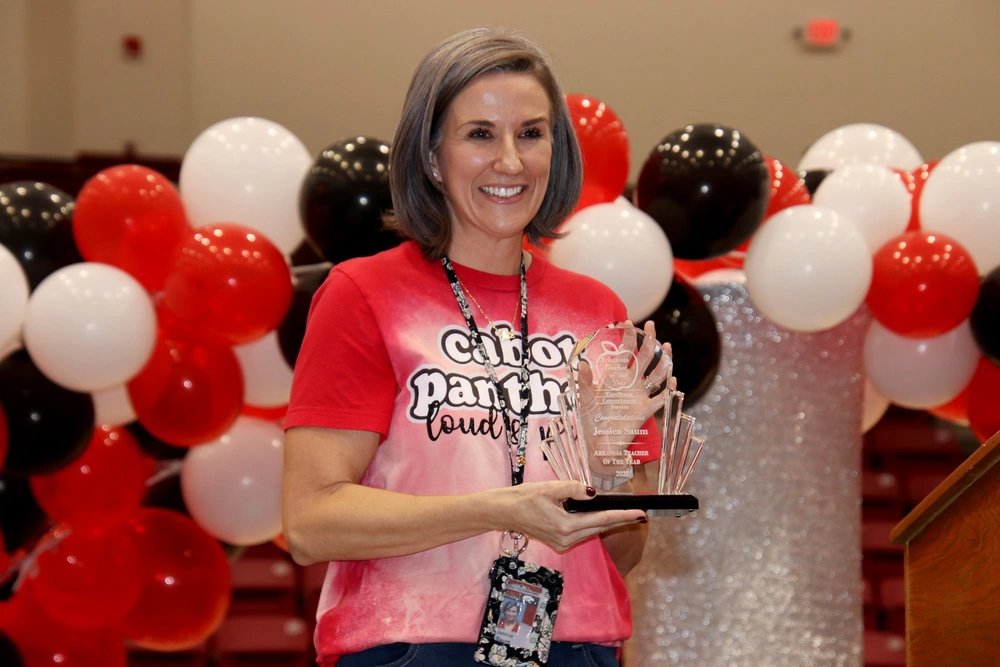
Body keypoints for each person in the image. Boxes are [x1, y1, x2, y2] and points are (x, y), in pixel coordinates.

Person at [282, 26, 671, 667]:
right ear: (432, 157)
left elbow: (624, 552)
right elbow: (311, 521)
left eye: (532, 133)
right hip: (411, 646)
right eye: (480, 134)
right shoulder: (364, 294)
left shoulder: (598, 311)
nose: (511, 163)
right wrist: (501, 511)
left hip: (576, 646)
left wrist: (610, 474)